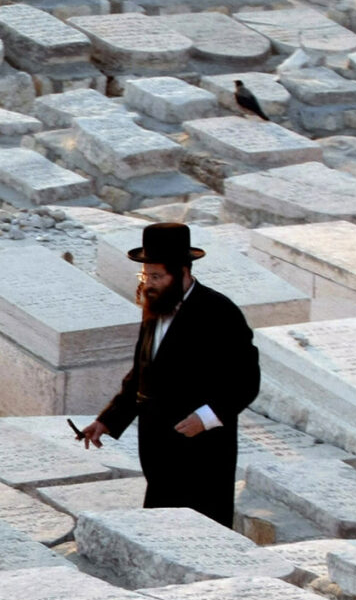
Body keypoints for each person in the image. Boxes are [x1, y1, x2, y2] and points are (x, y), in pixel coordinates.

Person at [76, 222, 259, 529]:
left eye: (157, 277)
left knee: (200, 533)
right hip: (159, 453)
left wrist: (207, 417)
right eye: (145, 276)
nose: (149, 284)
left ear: (183, 273)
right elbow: (142, 375)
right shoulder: (155, 307)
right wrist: (108, 420)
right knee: (159, 531)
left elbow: (245, 380)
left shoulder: (219, 313)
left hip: (202, 454)